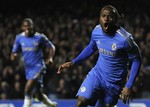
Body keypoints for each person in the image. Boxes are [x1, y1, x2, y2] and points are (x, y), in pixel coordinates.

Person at [57, 5, 142, 107]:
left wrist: (129, 85)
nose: (106, 18)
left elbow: (137, 60)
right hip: (97, 75)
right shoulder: (96, 31)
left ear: (115, 19)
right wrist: (73, 62)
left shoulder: (125, 39)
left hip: (114, 82)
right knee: (81, 102)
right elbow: (91, 47)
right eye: (103, 16)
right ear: (100, 18)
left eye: (109, 16)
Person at [11, 18, 57, 107]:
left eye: (29, 27)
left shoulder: (40, 37)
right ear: (22, 27)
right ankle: (52, 105)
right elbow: (14, 53)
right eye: (25, 26)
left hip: (39, 66)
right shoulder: (19, 38)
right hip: (28, 68)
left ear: (32, 27)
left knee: (28, 88)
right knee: (38, 95)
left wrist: (50, 58)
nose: (27, 28)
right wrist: (14, 56)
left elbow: (52, 47)